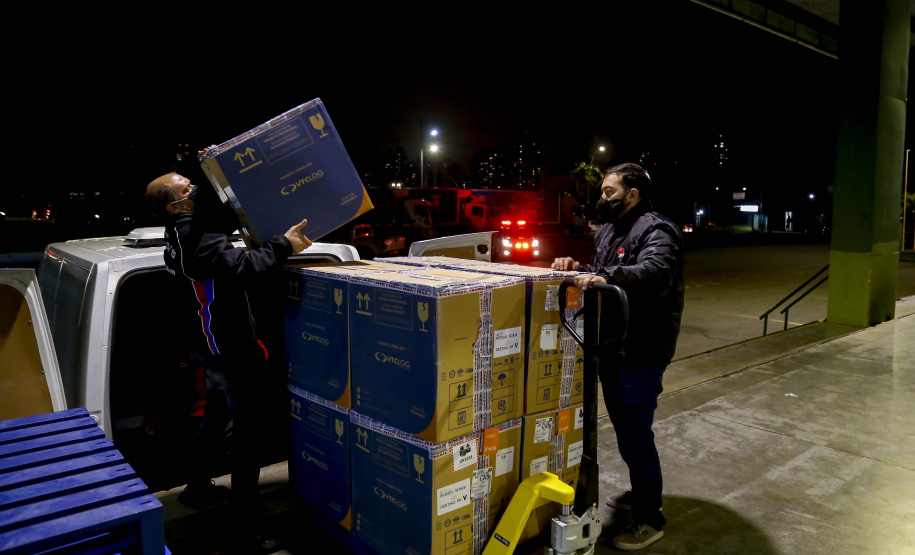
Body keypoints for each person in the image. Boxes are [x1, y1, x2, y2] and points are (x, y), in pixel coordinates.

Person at [145, 171, 312, 553]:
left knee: (215, 417)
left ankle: (198, 488)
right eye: (189, 187)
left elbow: (221, 232)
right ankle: (246, 529)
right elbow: (245, 266)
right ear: (176, 205)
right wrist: (283, 245)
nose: (196, 189)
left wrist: (217, 166)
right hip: (230, 350)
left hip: (211, 349)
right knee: (248, 439)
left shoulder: (182, 231)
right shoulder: (194, 238)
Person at [552, 163, 684, 551]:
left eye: (610, 191)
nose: (602, 197)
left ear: (632, 194)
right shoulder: (610, 230)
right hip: (611, 344)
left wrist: (605, 276)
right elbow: (601, 271)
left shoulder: (658, 230)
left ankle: (650, 516)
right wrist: (578, 269)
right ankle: (641, 492)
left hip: (641, 350)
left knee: (635, 432)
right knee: (625, 429)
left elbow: (653, 272)